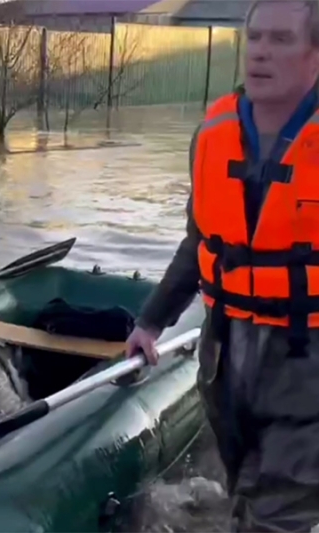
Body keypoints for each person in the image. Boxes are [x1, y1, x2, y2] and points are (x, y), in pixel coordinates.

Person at [125, 1, 319, 531]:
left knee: (282, 514)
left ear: (315, 55)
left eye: (280, 40)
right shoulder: (213, 135)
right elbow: (201, 242)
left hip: (307, 364)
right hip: (225, 357)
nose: (259, 51)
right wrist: (151, 320)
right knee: (244, 493)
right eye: (254, 37)